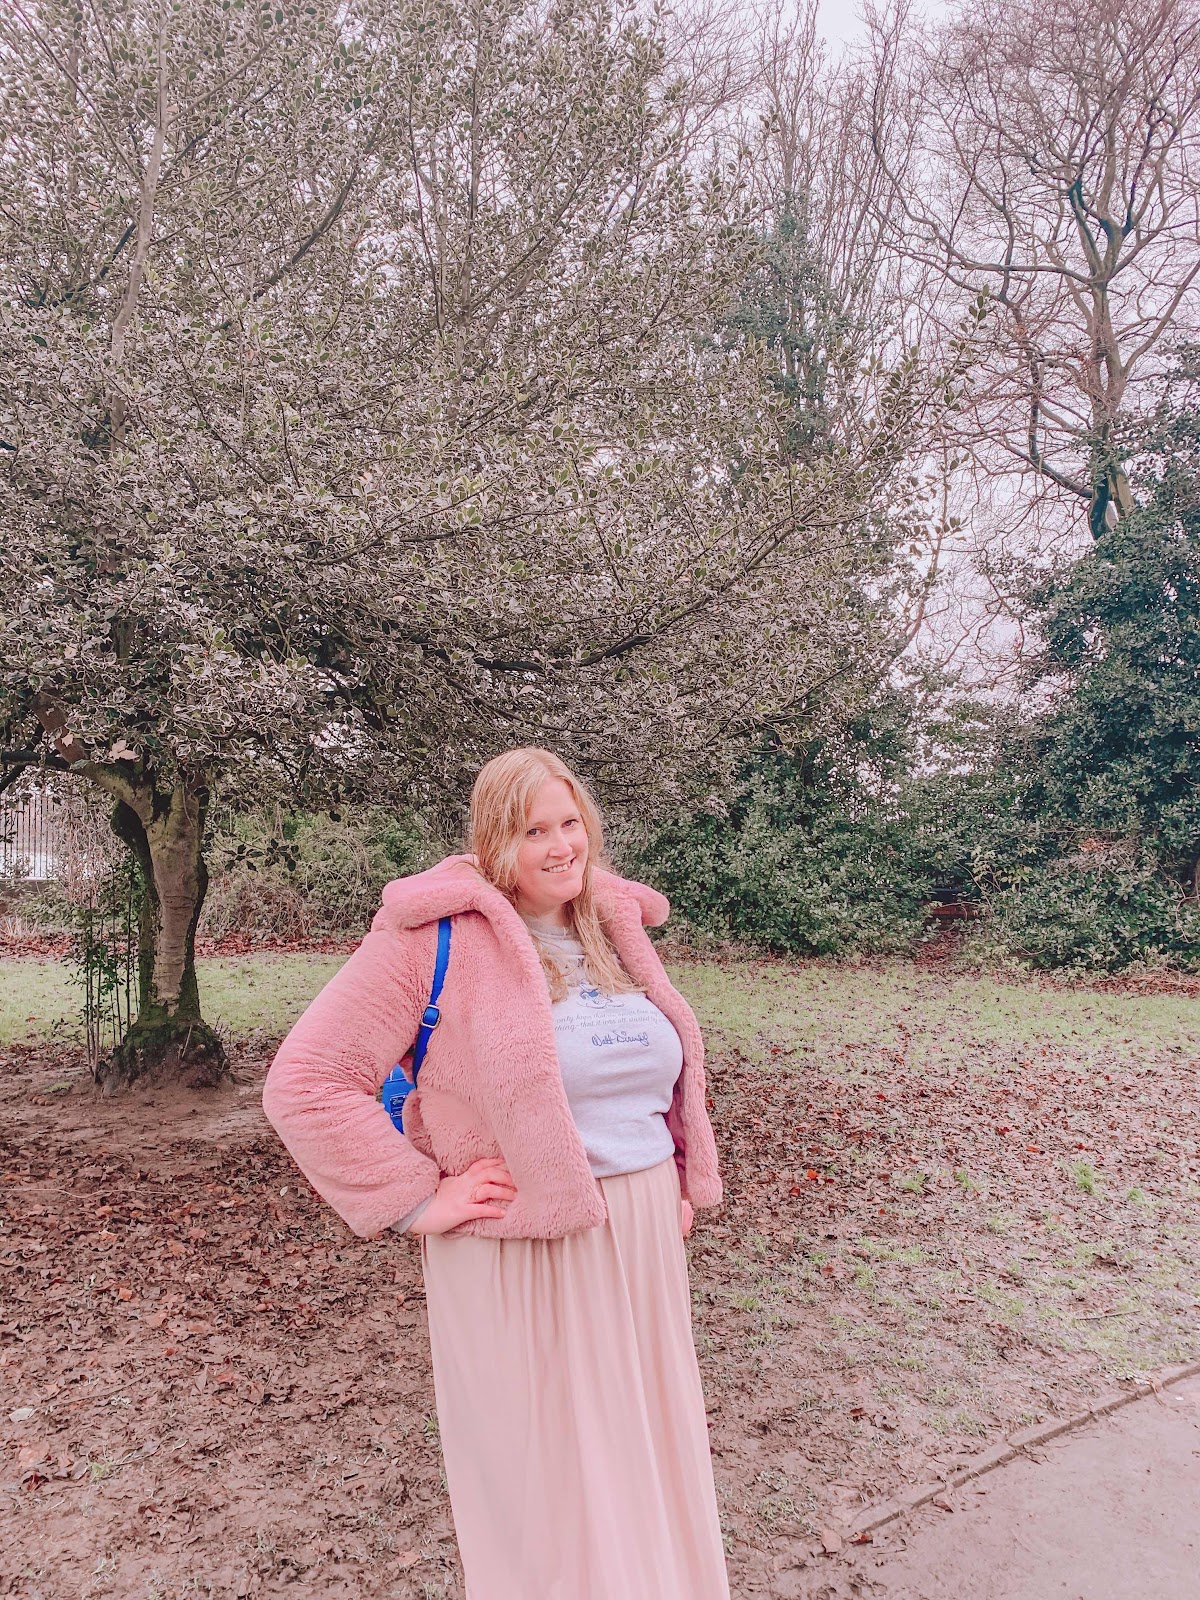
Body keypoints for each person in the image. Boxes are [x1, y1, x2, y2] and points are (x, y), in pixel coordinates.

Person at [262, 746, 730, 1600]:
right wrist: (414, 1200)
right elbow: (306, 1081)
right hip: (522, 1246)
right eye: (533, 831)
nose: (561, 846)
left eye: (570, 823)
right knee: (550, 1482)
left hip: (639, 1243)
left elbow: (649, 1075)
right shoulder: (431, 937)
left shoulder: (611, 923)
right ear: (492, 842)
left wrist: (669, 1171)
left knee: (646, 1456)